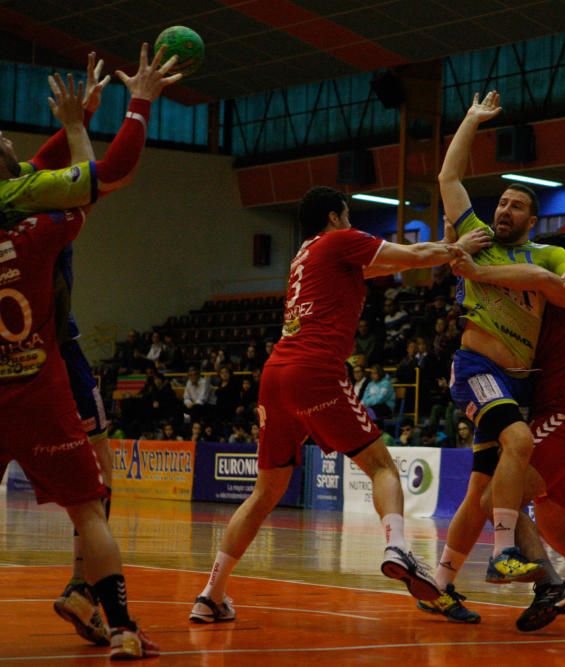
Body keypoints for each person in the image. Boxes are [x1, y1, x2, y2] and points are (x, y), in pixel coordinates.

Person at [189, 186, 475, 624]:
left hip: (276, 374)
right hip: (314, 370)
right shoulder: (340, 240)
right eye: (348, 214)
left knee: (265, 492)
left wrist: (443, 249)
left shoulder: (306, 255)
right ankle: (397, 543)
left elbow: (393, 263)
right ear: (334, 216)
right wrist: (458, 248)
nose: (350, 220)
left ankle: (211, 593)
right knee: (381, 466)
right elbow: (413, 255)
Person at [1, 43, 181, 659]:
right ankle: (101, 603)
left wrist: (79, 117)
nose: (9, 139)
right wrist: (136, 105)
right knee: (95, 494)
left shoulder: (16, 194)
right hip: (47, 362)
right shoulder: (38, 217)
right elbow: (108, 176)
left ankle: (84, 589)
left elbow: (49, 164)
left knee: (95, 493)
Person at [420, 233, 565, 630]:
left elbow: (539, 276)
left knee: (493, 496)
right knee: (555, 528)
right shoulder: (539, 297)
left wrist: (476, 268)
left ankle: (549, 585)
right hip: (558, 417)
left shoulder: (562, 289)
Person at [437, 90, 565, 584]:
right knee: (519, 440)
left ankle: (441, 585)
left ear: (531, 221)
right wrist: (472, 119)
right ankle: (504, 551)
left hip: (519, 384)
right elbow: (449, 177)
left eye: (517, 206)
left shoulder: (547, 255)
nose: (505, 210)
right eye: (502, 202)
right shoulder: (478, 241)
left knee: (479, 489)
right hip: (478, 370)